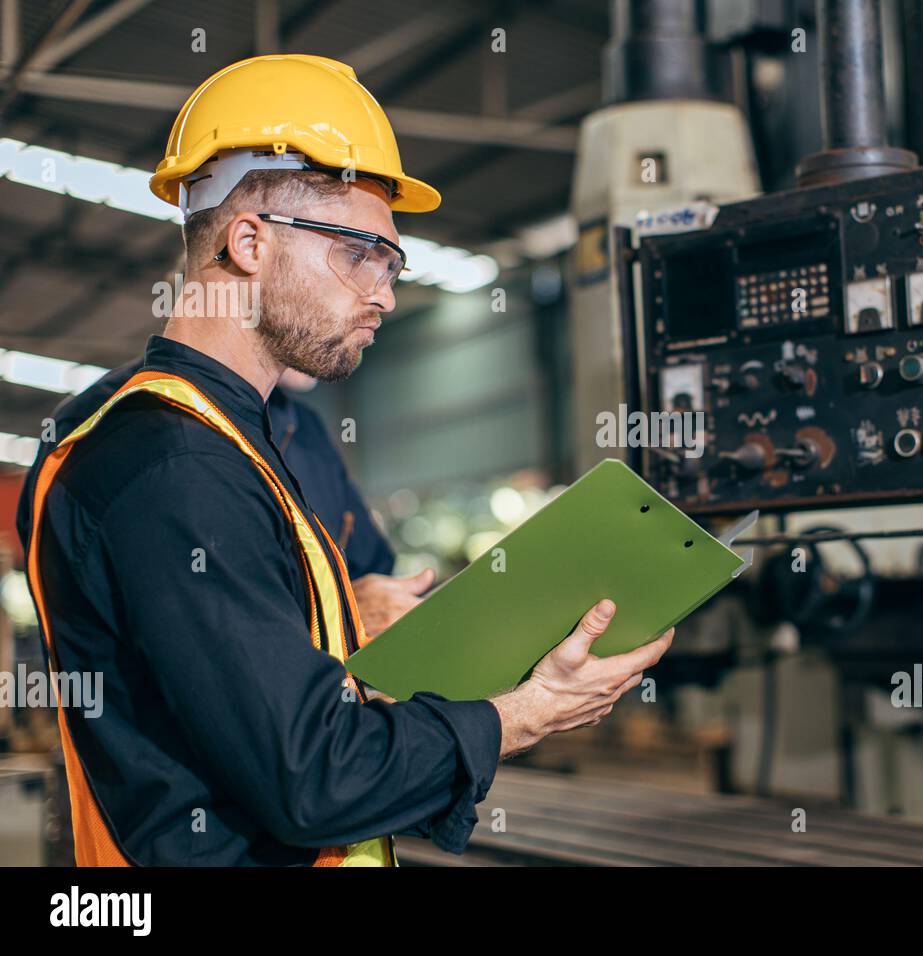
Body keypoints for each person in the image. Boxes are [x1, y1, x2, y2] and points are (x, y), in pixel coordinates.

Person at [23, 53, 672, 866]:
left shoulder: (228, 445)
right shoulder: (170, 465)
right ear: (251, 241)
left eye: (391, 262)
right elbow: (315, 777)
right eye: (360, 251)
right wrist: (527, 712)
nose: (385, 292)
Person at [16, 361, 430, 637]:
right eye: (349, 259)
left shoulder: (304, 427)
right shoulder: (131, 421)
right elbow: (190, 627)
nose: (377, 299)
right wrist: (339, 615)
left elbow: (371, 571)